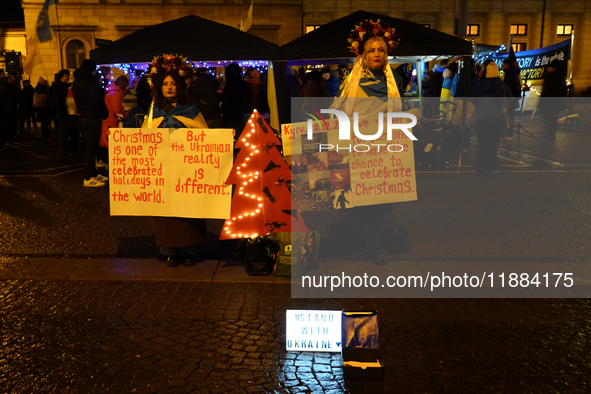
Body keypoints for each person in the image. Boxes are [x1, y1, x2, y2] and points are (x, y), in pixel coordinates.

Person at [335, 21, 408, 265]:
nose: (377, 54)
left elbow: (398, 112)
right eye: (372, 50)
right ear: (363, 56)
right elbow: (339, 112)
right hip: (359, 150)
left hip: (384, 151)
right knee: (367, 204)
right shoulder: (352, 84)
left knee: (375, 203)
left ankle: (367, 243)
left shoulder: (393, 82)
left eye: (381, 50)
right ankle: (373, 246)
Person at [142, 54, 208, 267]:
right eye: (165, 84)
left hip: (187, 171)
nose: (169, 87)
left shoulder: (191, 110)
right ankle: (169, 250)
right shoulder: (154, 110)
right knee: (165, 213)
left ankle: (191, 250)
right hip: (163, 172)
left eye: (173, 83)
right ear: (158, 87)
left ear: (181, 86)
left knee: (189, 211)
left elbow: (204, 136)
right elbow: (144, 138)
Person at [72, 59, 109, 187]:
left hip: (83, 117)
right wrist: (104, 113)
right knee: (91, 149)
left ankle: (93, 173)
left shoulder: (76, 81)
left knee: (90, 148)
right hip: (92, 118)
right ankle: (88, 177)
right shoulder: (89, 82)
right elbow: (96, 101)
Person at [474, 62, 510, 176]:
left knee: (482, 143)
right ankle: (491, 168)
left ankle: (480, 167)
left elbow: (474, 100)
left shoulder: (480, 84)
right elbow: (511, 99)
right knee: (493, 144)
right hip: (496, 119)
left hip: (482, 119)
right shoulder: (502, 85)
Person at [100, 75, 129, 165]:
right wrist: (126, 114)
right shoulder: (116, 94)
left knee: (106, 141)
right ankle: (108, 162)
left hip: (107, 120)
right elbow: (117, 109)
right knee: (110, 142)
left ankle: (105, 161)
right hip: (111, 121)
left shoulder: (112, 92)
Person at [220, 63, 251, 139]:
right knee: (242, 133)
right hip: (243, 112)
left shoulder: (229, 85)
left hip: (230, 114)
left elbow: (224, 97)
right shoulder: (245, 84)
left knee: (231, 135)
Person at [539, 59, 567, 139]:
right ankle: (551, 132)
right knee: (549, 116)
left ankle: (552, 133)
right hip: (548, 101)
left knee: (551, 117)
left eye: (550, 67)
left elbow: (559, 90)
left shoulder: (556, 77)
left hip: (552, 101)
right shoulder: (551, 76)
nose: (548, 69)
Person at [47, 69, 71, 152]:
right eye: (66, 76)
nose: (68, 77)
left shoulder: (65, 86)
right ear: (61, 77)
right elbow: (56, 100)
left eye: (68, 75)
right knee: (62, 128)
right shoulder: (58, 86)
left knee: (64, 127)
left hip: (65, 109)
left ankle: (64, 143)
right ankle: (62, 144)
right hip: (60, 110)